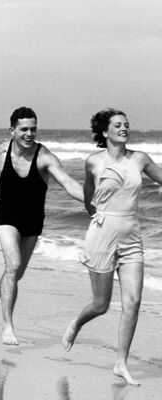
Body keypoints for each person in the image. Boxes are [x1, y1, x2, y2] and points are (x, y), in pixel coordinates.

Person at [0, 107, 83, 345]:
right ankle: (7, 327)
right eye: (24, 129)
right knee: (14, 264)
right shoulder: (0, 148)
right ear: (12, 130)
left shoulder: (44, 157)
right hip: (6, 215)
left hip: (32, 220)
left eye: (33, 129)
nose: (30, 134)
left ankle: (0, 280)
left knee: (16, 272)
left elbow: (69, 184)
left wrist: (93, 201)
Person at [61, 108, 162, 385]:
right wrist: (97, 220)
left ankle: (121, 363)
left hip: (132, 238)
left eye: (126, 124)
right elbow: (87, 198)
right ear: (105, 132)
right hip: (102, 236)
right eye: (118, 125)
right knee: (101, 304)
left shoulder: (140, 159)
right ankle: (76, 324)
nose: (124, 128)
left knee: (134, 301)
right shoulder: (93, 162)